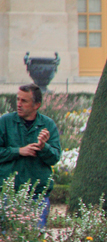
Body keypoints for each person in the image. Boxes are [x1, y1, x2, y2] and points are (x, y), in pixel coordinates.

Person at [0, 84, 62, 227]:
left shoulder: (48, 125)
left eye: (24, 101)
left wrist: (43, 147)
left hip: (37, 196)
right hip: (8, 195)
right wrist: (18, 151)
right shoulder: (5, 122)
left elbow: (55, 157)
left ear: (37, 105)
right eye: (18, 99)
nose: (19, 104)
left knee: (35, 241)